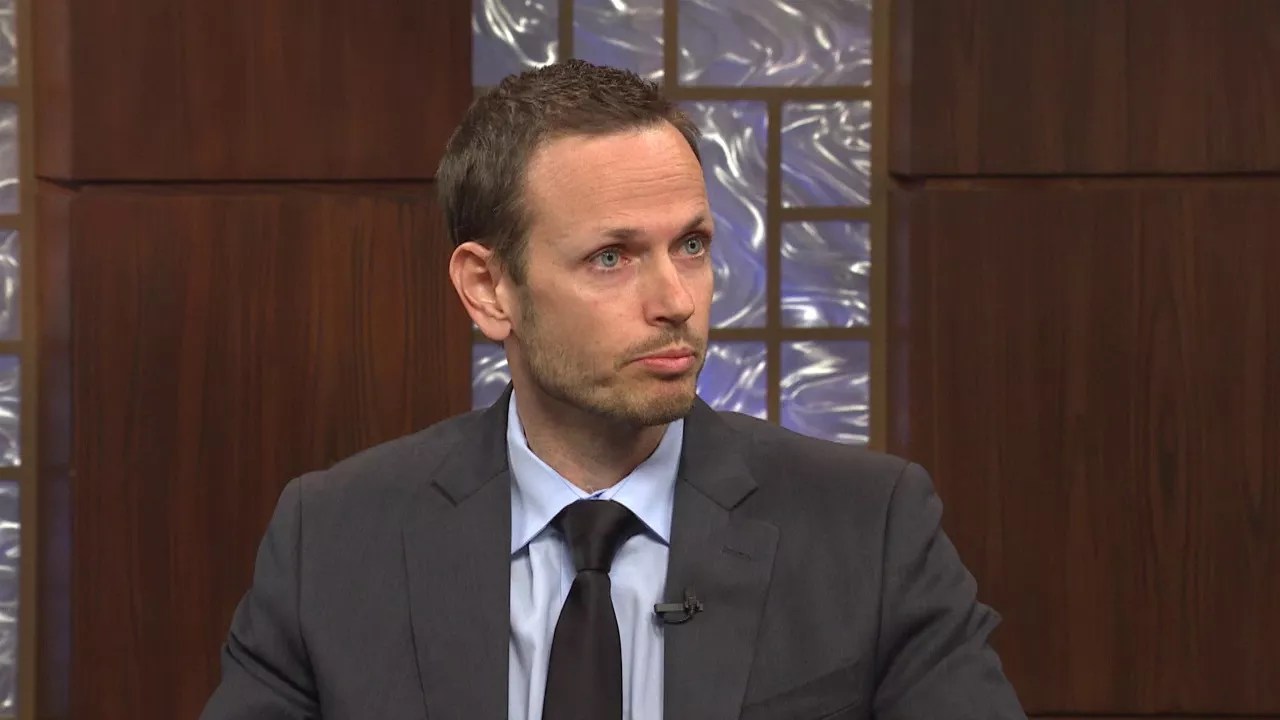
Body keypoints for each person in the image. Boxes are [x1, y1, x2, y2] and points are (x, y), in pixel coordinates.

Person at [201, 59, 1026, 720]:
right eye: (611, 257)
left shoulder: (870, 528)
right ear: (489, 290)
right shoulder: (334, 540)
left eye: (692, 245)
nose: (676, 300)